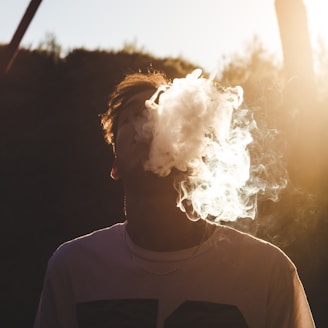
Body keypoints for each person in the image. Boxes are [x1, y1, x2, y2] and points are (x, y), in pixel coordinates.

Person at [34, 69, 315, 328]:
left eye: (162, 113)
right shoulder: (73, 268)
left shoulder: (268, 271)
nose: (147, 124)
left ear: (196, 153)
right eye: (132, 116)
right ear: (116, 165)